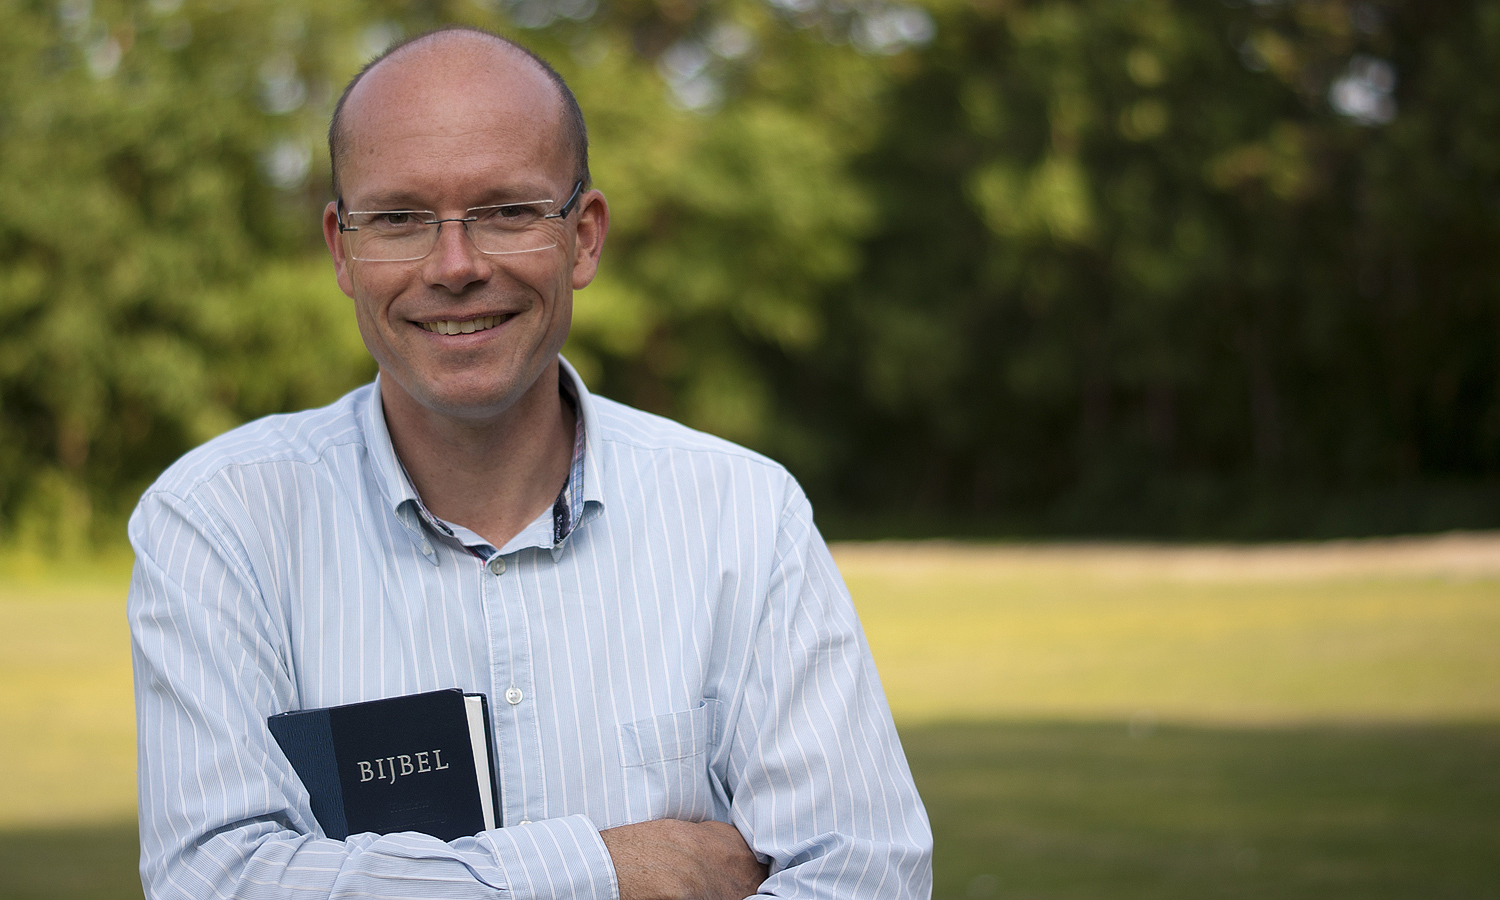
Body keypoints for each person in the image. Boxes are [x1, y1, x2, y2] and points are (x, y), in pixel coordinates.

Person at [127, 24, 932, 900]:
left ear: (583, 237)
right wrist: (609, 868)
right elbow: (216, 879)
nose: (456, 265)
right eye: (399, 218)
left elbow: (864, 874)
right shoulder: (220, 519)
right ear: (342, 250)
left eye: (507, 211)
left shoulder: (742, 512)